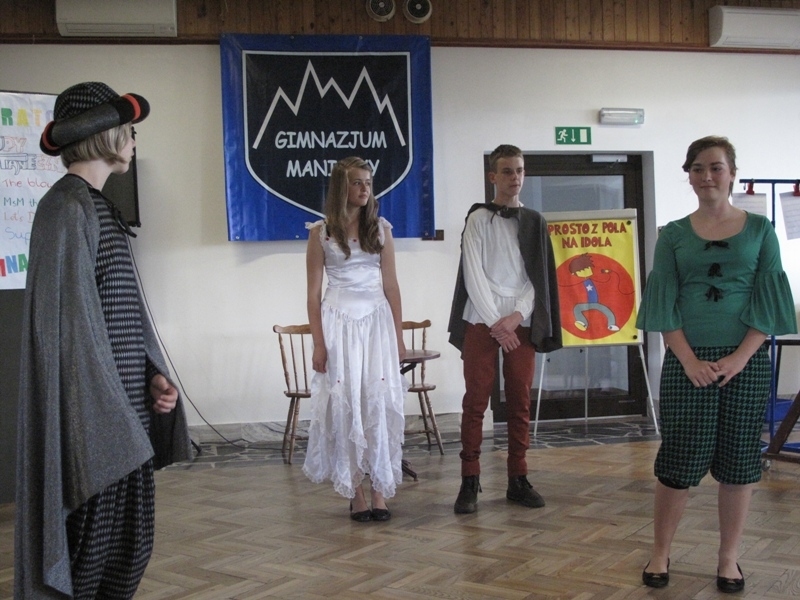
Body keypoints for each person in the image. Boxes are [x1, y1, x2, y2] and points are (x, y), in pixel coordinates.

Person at [15, 82, 192, 599]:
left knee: (127, 553)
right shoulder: (66, 208)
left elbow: (113, 316)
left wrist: (150, 375)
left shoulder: (94, 205)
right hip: (94, 429)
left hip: (121, 418)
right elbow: (70, 335)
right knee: (91, 562)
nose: (134, 141)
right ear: (105, 134)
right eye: (129, 131)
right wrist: (109, 415)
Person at [637, 136, 796, 593]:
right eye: (697, 168)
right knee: (679, 460)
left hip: (746, 362)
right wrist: (688, 360)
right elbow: (663, 303)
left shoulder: (760, 230)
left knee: (740, 461)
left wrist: (740, 357)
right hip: (686, 363)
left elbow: (768, 300)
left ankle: (729, 559)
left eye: (716, 167)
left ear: (732, 174)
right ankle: (660, 552)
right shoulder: (673, 235)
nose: (707, 176)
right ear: (688, 176)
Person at [448, 144, 562, 514]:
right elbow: (473, 274)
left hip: (518, 321)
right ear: (493, 176)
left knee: (519, 401)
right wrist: (496, 322)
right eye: (508, 171)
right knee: (475, 401)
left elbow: (537, 277)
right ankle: (469, 479)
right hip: (482, 319)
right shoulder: (478, 219)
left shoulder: (534, 221)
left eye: (520, 170)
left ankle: (518, 478)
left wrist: (516, 316)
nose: (515, 177)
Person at [302, 156, 407, 523]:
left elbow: (392, 287)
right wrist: (319, 343)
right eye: (357, 182)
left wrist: (398, 338)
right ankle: (355, 492)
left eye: (368, 182)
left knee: (376, 402)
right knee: (347, 406)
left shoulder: (381, 230)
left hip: (376, 324)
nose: (365, 189)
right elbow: (313, 294)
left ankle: (380, 489)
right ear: (341, 187)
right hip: (338, 325)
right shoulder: (320, 233)